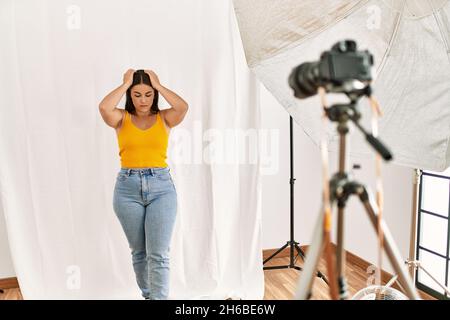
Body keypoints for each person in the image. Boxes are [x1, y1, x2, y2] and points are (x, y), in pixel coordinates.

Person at [99, 69, 188, 299]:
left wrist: (158, 85)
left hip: (161, 188)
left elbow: (182, 107)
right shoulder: (121, 118)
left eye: (148, 94)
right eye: (137, 94)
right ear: (130, 95)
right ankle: (149, 295)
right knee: (139, 252)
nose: (143, 100)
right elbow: (104, 108)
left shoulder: (164, 118)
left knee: (158, 253)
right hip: (127, 189)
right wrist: (125, 83)